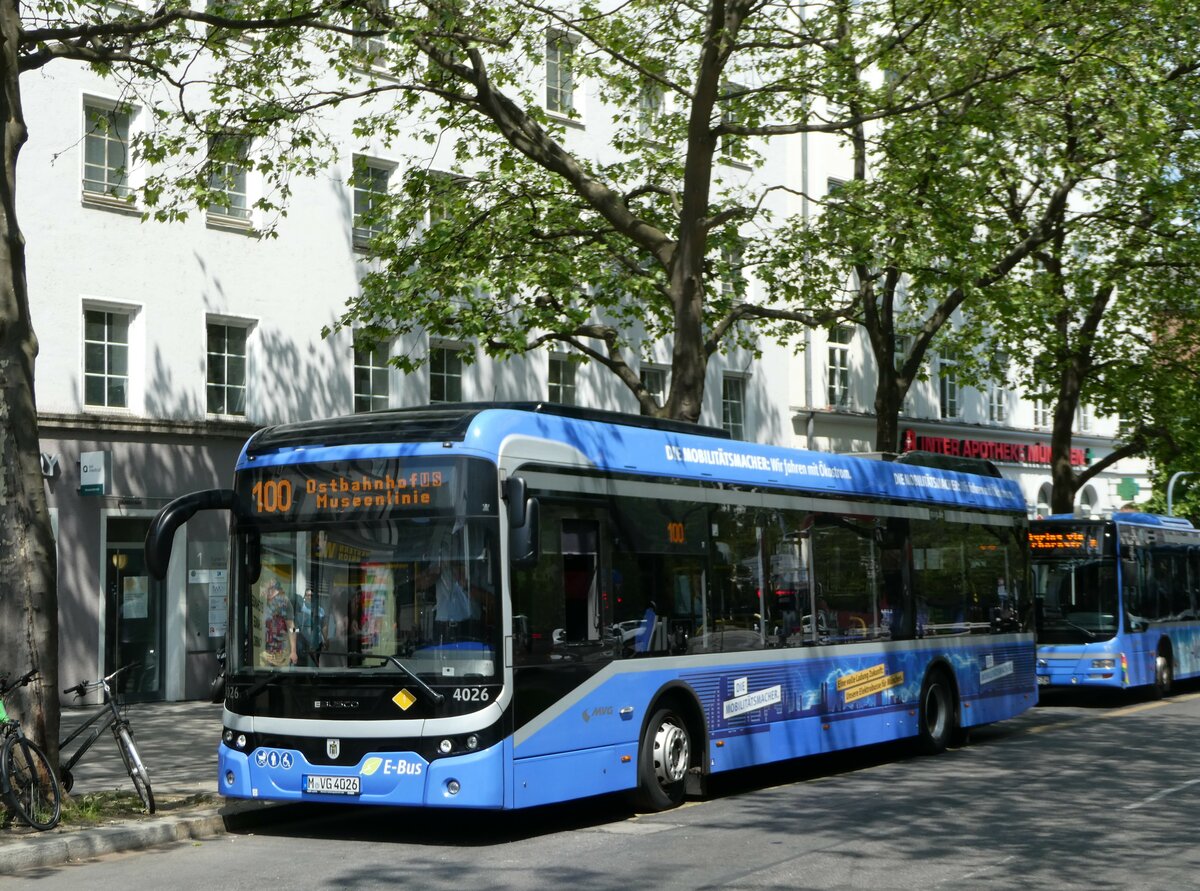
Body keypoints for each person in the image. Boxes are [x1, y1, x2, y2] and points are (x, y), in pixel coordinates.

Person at [261, 580, 296, 667]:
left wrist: (293, 651)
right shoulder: (260, 600)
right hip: (261, 653)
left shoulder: (284, 601)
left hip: (280, 654)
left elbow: (292, 627)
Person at [294, 585, 328, 665]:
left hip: (317, 642)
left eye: (312, 595)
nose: (310, 597)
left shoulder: (320, 610)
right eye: (308, 595)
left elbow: (324, 626)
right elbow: (294, 627)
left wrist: (326, 640)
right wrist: (294, 633)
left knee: (316, 663)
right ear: (304, 597)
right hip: (303, 643)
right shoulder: (300, 608)